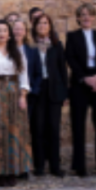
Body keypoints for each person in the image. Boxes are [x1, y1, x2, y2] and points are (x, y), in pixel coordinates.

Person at [0, 20, 32, 187]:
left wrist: (23, 95)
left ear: (9, 34)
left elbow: (24, 75)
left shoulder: (17, 52)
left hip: (13, 91)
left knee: (13, 131)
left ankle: (13, 170)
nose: (1, 33)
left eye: (4, 30)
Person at [66, 3, 96, 177]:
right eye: (83, 15)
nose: (86, 17)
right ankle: (79, 166)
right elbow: (70, 58)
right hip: (80, 83)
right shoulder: (72, 36)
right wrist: (85, 78)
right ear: (78, 18)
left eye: (89, 15)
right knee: (78, 125)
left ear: (94, 18)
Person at [30, 12, 67, 177]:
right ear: (35, 26)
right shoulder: (30, 46)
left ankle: (54, 165)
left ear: (50, 26)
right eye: (39, 23)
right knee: (38, 128)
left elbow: (62, 70)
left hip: (54, 90)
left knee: (53, 128)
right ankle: (39, 165)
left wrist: (65, 92)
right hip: (37, 90)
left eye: (45, 23)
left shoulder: (57, 45)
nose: (42, 26)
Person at [12, 18, 42, 177]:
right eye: (15, 29)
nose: (18, 32)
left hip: (28, 97)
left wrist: (33, 91)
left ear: (25, 32)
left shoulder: (32, 51)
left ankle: (25, 167)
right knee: (12, 133)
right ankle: (13, 165)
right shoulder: (6, 50)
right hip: (9, 96)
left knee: (26, 133)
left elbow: (38, 73)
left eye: (21, 29)